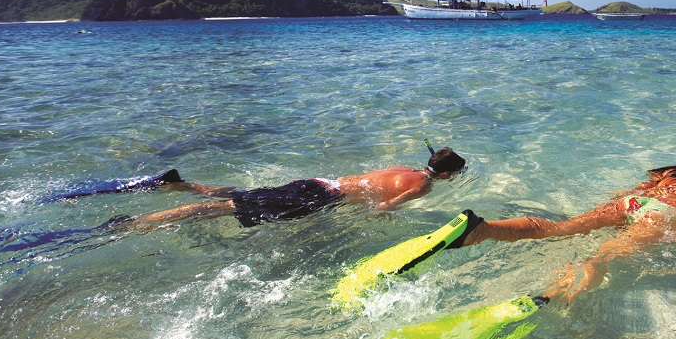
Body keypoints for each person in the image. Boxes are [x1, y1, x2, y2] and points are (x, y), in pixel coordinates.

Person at [456, 147, 676, 304]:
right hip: (661, 215)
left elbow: (639, 189)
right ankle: (549, 297)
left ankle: (484, 229)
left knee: (560, 228)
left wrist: (617, 209)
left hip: (630, 203)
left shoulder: (672, 172)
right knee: (603, 256)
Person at [119, 146, 466, 231]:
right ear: (447, 174)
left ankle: (180, 185)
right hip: (319, 197)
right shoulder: (422, 185)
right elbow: (385, 207)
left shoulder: (403, 168)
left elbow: (369, 183)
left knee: (238, 195)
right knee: (228, 208)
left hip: (316, 183)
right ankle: (140, 222)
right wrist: (375, 224)